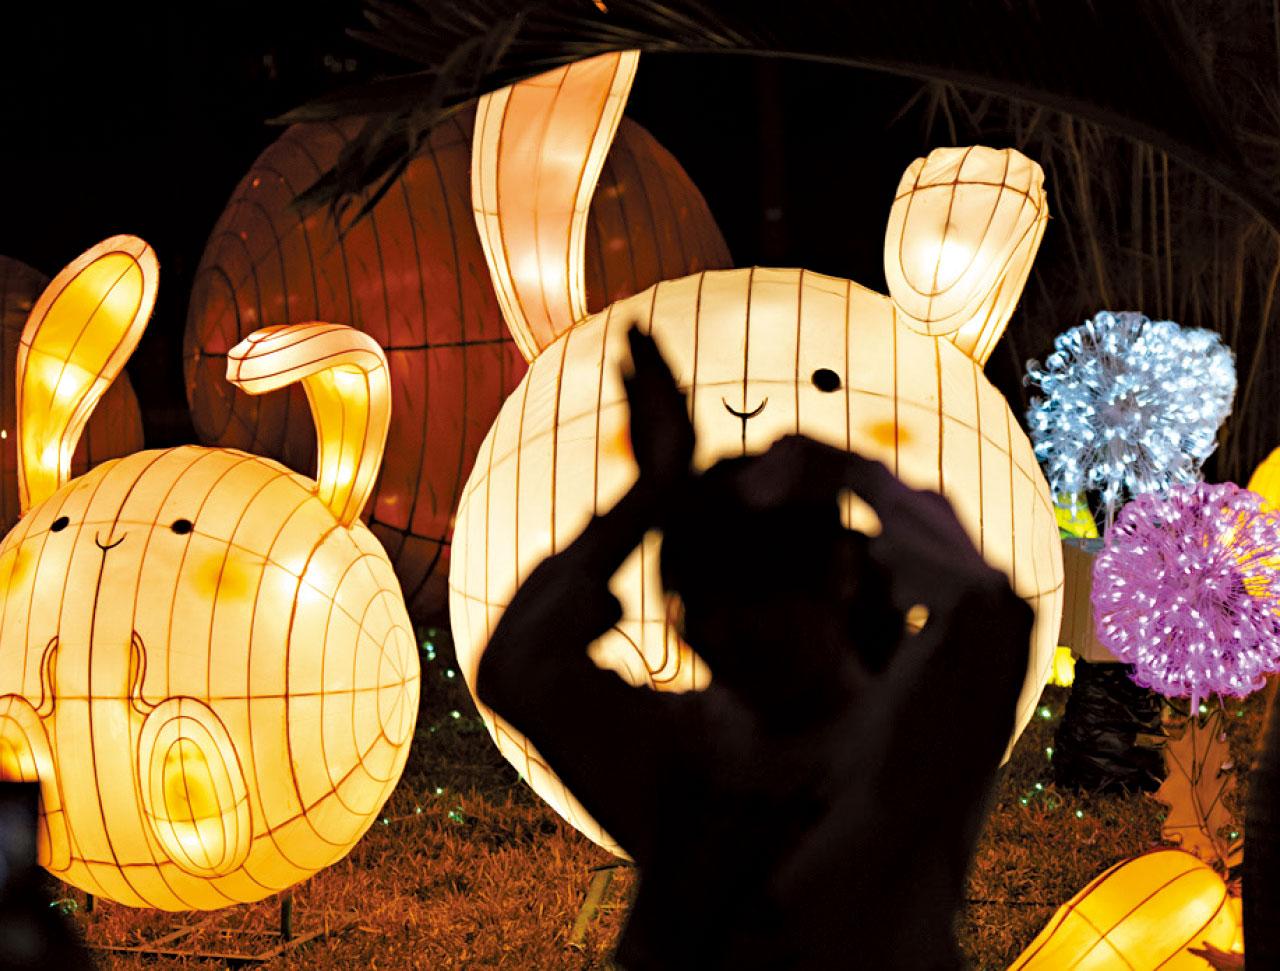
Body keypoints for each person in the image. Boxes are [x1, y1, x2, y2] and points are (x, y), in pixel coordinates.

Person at [477, 326, 1033, 969]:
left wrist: (654, 496)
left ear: (837, 579)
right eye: (710, 606)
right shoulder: (702, 751)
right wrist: (855, 476)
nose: (735, 634)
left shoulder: (899, 743)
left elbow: (991, 617)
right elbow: (987, 609)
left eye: (760, 597)